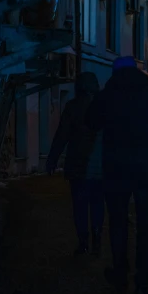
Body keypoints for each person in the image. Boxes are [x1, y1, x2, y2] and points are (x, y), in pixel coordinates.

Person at [86, 56, 148, 294]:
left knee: (117, 223)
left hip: (116, 168)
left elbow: (91, 122)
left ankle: (120, 275)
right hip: (146, 168)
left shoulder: (108, 95)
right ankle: (142, 285)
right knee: (147, 227)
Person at [45, 72, 105, 256]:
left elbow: (62, 135)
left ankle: (83, 243)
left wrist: (52, 159)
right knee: (97, 204)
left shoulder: (73, 107)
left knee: (80, 206)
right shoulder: (105, 107)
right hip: (101, 169)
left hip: (79, 167)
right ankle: (96, 239)